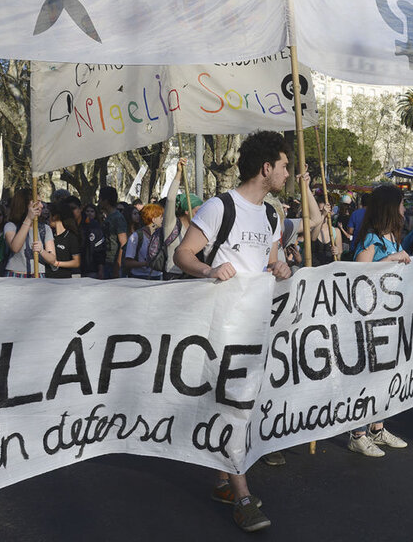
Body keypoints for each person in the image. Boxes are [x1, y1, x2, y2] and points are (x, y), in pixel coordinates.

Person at [174, 130, 293, 533]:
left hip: (258, 325)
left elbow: (272, 263)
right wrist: (208, 269)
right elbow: (182, 253)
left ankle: (223, 482)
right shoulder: (219, 206)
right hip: (222, 327)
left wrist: (280, 268)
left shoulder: (273, 214)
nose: (288, 173)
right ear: (266, 168)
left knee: (243, 405)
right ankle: (243, 497)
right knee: (235, 405)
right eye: (284, 166)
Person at [348, 184, 411, 456]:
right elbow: (360, 275)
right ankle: (357, 433)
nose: (404, 209)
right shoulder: (371, 238)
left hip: (389, 318)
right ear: (389, 207)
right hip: (369, 319)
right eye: (401, 204)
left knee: (385, 373)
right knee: (367, 375)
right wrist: (393, 259)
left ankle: (376, 427)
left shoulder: (393, 237)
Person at [160, 158, 203, 280]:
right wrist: (179, 173)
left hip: (193, 276)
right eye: (197, 211)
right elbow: (170, 200)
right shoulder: (171, 225)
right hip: (174, 276)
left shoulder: (198, 229)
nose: (200, 214)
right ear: (186, 210)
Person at [3, 188, 53, 278]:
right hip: (15, 275)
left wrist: (42, 251)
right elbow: (15, 247)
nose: (41, 206)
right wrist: (29, 219)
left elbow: (52, 259)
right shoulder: (11, 226)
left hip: (38, 274)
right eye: (37, 202)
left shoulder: (45, 228)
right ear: (25, 205)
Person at [123, 203, 165, 280]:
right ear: (154, 219)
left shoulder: (161, 235)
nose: (163, 219)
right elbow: (127, 262)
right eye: (161, 217)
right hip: (139, 278)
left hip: (158, 277)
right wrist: (146, 264)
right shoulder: (136, 236)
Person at [45, 200, 82, 278]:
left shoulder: (71, 237)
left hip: (64, 280)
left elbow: (76, 262)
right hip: (48, 278)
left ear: (55, 217)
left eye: (49, 216)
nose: (48, 219)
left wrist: (57, 263)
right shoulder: (50, 235)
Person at [99, 186, 128, 278]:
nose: (98, 201)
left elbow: (123, 243)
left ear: (106, 201)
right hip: (107, 261)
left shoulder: (118, 218)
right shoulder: (108, 217)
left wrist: (117, 266)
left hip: (114, 263)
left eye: (100, 199)